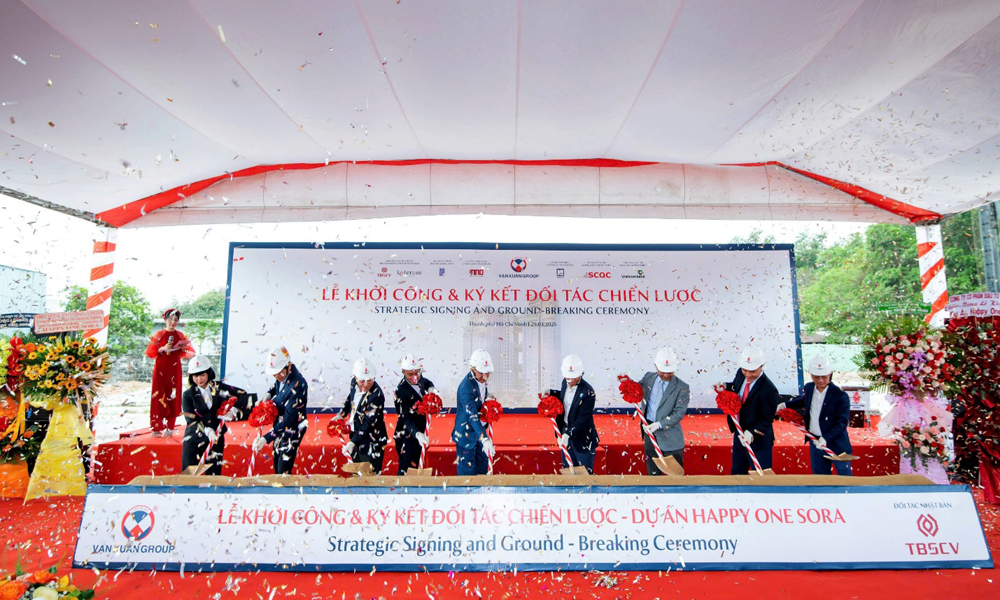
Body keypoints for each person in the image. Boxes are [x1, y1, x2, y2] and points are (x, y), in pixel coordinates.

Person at [780, 355, 853, 476]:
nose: (820, 380)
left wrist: (826, 438)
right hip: (815, 442)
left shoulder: (840, 396)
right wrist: (785, 405)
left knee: (845, 479)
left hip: (837, 445)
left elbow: (842, 423)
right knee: (820, 478)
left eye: (824, 377)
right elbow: (804, 400)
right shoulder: (809, 388)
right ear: (811, 375)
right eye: (816, 377)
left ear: (830, 374)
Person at [720, 346, 780, 475]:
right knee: (737, 473)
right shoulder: (740, 373)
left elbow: (767, 419)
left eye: (752, 371)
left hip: (759, 441)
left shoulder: (769, 390)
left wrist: (751, 432)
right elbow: (736, 387)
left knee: (761, 476)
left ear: (761, 366)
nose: (748, 375)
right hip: (739, 433)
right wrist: (724, 386)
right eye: (745, 370)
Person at [180, 355, 244, 475]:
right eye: (195, 376)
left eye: (202, 375)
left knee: (214, 473)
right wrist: (206, 430)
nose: (199, 379)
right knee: (189, 474)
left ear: (209, 373)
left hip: (216, 436)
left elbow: (243, 394)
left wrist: (234, 410)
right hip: (194, 437)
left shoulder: (219, 387)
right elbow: (190, 419)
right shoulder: (188, 394)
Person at [252, 346, 308, 474]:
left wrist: (266, 438)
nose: (276, 375)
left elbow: (289, 419)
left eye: (278, 372)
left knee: (283, 467)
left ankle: (286, 485)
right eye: (273, 373)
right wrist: (268, 394)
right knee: (277, 458)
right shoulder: (282, 375)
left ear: (288, 365)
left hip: (293, 427)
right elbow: (276, 385)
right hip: (280, 423)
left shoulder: (298, 385)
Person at [638, 347, 690, 475]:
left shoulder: (682, 387)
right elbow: (636, 391)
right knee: (653, 476)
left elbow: (678, 413)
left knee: (675, 478)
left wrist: (659, 424)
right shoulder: (648, 378)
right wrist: (626, 383)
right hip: (649, 433)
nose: (666, 375)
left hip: (670, 439)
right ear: (656, 366)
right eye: (663, 372)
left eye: (670, 372)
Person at [145, 308, 195, 436]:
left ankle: (171, 427)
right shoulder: (159, 334)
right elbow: (150, 352)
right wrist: (162, 348)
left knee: (173, 394)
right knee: (158, 394)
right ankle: (156, 428)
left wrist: (183, 348)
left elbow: (188, 352)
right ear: (165, 320)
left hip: (174, 368)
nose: (173, 322)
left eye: (175, 320)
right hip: (161, 368)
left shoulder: (180, 335)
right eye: (170, 319)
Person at [548, 354, 599, 474]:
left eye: (574, 377)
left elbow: (583, 418)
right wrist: (550, 392)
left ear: (581, 374)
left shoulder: (588, 392)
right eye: (568, 377)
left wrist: (568, 434)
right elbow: (565, 398)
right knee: (568, 473)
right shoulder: (564, 383)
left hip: (582, 439)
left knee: (583, 475)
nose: (570, 380)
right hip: (565, 433)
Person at [338, 357, 389, 474]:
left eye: (369, 380)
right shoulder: (353, 383)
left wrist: (353, 442)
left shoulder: (377, 395)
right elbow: (351, 399)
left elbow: (368, 423)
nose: (366, 384)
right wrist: (341, 414)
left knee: (369, 476)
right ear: (355, 377)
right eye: (362, 381)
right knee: (356, 473)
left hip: (372, 442)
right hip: (356, 435)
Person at [451, 349, 494, 476]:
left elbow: (479, 397)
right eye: (482, 373)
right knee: (467, 476)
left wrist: (488, 398)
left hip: (479, 432)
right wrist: (484, 439)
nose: (485, 376)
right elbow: (472, 416)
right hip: (466, 435)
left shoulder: (480, 380)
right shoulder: (465, 388)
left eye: (488, 373)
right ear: (472, 369)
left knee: (483, 471)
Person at [393, 354, 435, 475]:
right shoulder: (401, 390)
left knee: (416, 465)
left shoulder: (419, 378)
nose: (414, 377)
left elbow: (426, 382)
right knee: (406, 469)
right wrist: (417, 434)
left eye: (417, 373)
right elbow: (405, 418)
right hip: (406, 436)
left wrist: (431, 389)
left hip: (420, 431)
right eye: (410, 374)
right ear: (403, 372)